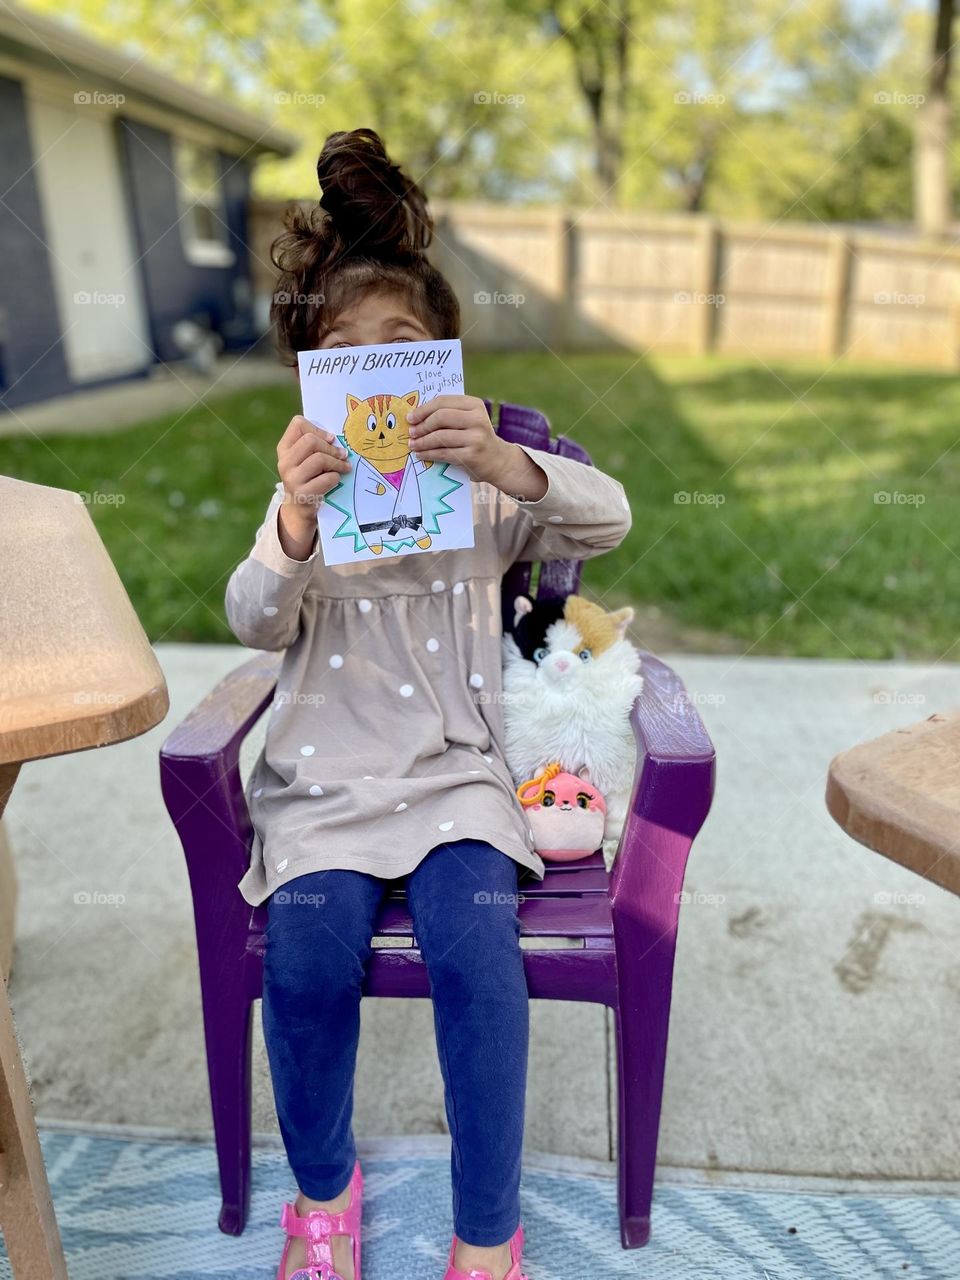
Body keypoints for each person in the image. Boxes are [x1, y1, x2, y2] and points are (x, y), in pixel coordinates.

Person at [225, 127, 632, 1280]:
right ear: (315, 385)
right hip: (325, 783)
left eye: (399, 345)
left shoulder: (481, 482)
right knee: (301, 964)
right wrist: (297, 524)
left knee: (475, 953)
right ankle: (323, 1193)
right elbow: (252, 618)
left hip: (458, 782)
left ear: (439, 366)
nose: (373, 368)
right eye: (341, 351)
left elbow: (609, 523)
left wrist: (512, 463)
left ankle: (487, 1231)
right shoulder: (301, 501)